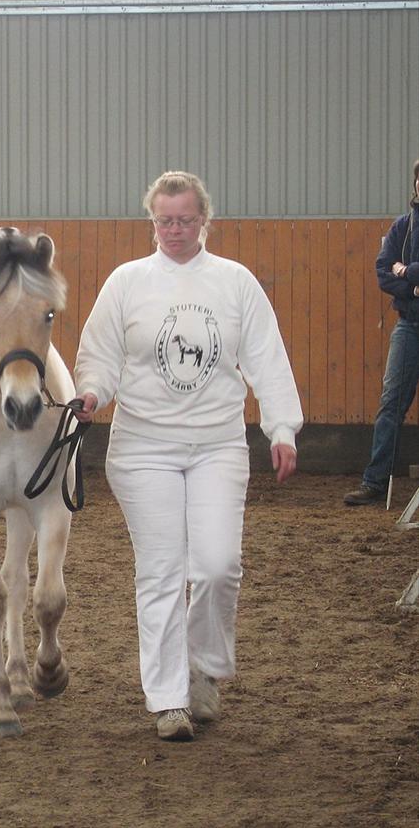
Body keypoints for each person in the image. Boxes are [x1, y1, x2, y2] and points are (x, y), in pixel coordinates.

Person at [73, 170, 302, 742]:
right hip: (143, 447)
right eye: (164, 219)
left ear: (205, 220)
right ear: (152, 220)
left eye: (185, 219)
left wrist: (282, 428)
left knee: (218, 565)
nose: (174, 229)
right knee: (162, 569)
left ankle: (205, 667)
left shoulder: (235, 282)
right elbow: (98, 353)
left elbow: (267, 358)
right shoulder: (127, 282)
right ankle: (168, 698)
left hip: (218, 444)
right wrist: (94, 391)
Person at [344, 159, 419, 505]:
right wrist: (413, 288)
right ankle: (374, 484)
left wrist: (410, 272)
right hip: (409, 325)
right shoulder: (402, 227)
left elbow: (398, 271)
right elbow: (382, 272)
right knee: (390, 404)